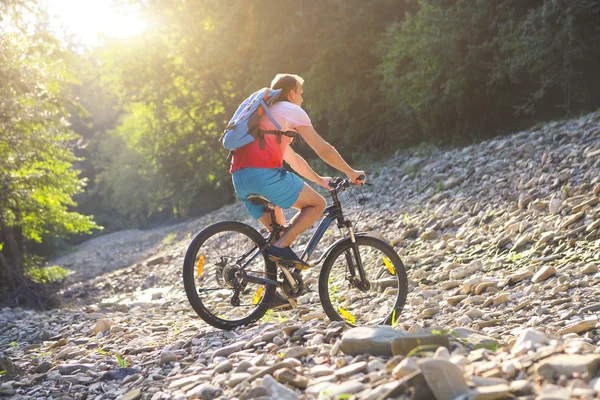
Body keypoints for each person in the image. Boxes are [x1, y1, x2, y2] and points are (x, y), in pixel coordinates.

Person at [230, 73, 365, 269]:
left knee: (278, 238)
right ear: (292, 94)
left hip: (240, 179)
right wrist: (350, 172)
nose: (302, 99)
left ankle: (274, 295)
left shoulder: (265, 116)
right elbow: (323, 149)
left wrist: (320, 180)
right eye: (301, 94)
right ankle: (281, 247)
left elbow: (294, 160)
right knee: (317, 205)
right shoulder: (291, 110)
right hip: (264, 176)